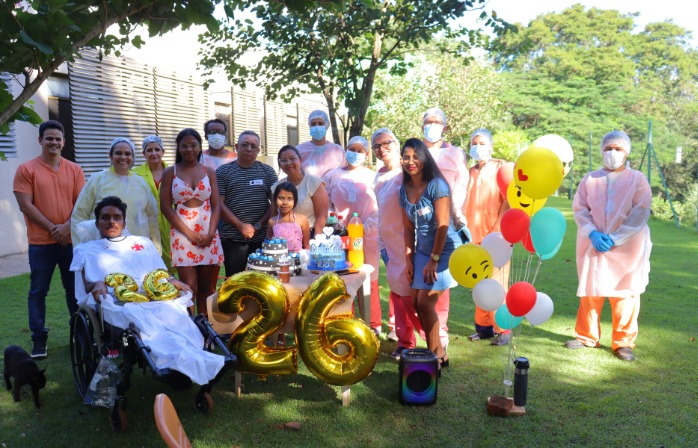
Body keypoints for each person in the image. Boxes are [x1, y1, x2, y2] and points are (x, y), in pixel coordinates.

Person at [70, 196, 225, 385]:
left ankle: (188, 359)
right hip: (119, 303)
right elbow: (87, 285)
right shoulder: (86, 250)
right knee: (149, 328)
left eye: (117, 217)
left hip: (156, 298)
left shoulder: (142, 243)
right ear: (97, 223)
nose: (112, 222)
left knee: (178, 320)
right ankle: (175, 360)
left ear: (124, 222)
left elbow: (159, 270)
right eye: (105, 217)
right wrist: (97, 284)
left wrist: (173, 280)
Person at [566, 131, 652, 362]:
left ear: (627, 152)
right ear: (601, 151)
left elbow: (640, 211)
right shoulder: (590, 179)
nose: (612, 153)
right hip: (594, 243)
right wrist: (591, 232)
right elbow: (580, 209)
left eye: (618, 149)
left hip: (628, 246)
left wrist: (616, 238)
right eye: (608, 148)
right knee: (590, 291)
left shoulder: (637, 179)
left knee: (624, 293)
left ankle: (623, 342)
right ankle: (586, 336)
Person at [13, 120, 85, 358]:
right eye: (49, 138)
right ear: (40, 140)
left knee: (74, 291)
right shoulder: (26, 169)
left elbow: (81, 205)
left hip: (70, 242)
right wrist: (54, 228)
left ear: (63, 142)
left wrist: (66, 227)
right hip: (41, 243)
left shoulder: (74, 170)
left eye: (58, 139)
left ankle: (79, 333)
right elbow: (25, 205)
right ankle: (39, 339)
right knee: (38, 291)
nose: (54, 142)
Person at [399, 138, 462, 370]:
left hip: (444, 250)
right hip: (423, 251)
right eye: (406, 157)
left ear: (424, 158)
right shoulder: (404, 189)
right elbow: (408, 229)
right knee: (416, 302)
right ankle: (437, 353)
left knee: (425, 301)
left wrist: (434, 260)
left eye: (416, 157)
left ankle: (436, 356)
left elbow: (443, 225)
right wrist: (409, 259)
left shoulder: (437, 185)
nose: (411, 161)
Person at [373, 128, 427, 358]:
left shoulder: (407, 172)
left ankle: (435, 342)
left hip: (408, 243)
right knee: (397, 295)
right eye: (376, 146)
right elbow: (382, 211)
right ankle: (405, 343)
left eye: (386, 143)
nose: (381, 148)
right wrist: (381, 243)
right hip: (388, 245)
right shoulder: (379, 176)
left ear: (396, 144)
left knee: (412, 297)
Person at [160, 128, 224, 317]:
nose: (189, 149)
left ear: (199, 147)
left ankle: (205, 326)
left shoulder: (208, 172)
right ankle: (190, 327)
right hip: (183, 235)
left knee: (206, 287)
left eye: (193, 145)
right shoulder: (170, 172)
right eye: (184, 146)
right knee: (189, 287)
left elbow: (216, 206)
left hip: (208, 233)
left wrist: (211, 234)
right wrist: (190, 234)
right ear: (178, 148)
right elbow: (165, 207)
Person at [420, 107, 469, 350]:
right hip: (420, 223)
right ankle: (423, 335)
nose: (432, 126)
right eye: (428, 122)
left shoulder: (455, 154)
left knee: (440, 279)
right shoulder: (416, 152)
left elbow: (461, 184)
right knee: (420, 279)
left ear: (445, 127)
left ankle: (441, 336)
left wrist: (451, 209)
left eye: (437, 122)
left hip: (446, 221)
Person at [323, 136, 381, 336]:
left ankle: (372, 323)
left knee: (369, 278)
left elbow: (380, 208)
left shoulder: (373, 177)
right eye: (352, 149)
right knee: (343, 278)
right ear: (345, 150)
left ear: (366, 154)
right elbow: (326, 203)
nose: (355, 153)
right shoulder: (332, 175)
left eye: (360, 150)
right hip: (339, 236)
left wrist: (365, 228)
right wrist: (335, 222)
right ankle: (346, 319)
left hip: (368, 236)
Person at [463, 129, 512, 346]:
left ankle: (504, 329)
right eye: (474, 143)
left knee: (497, 285)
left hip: (497, 238)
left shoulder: (501, 169)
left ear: (490, 146)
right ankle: (483, 328)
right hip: (473, 237)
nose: (477, 147)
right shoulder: (469, 172)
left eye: (482, 143)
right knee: (479, 284)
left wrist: (498, 231)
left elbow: (509, 200)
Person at [71, 137, 160, 250]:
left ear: (133, 157)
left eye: (127, 154)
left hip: (138, 249)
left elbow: (152, 218)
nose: (123, 157)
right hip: (103, 249)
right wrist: (81, 249)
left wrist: (155, 248)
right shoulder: (97, 180)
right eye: (118, 153)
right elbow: (79, 216)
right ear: (110, 156)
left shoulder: (141, 183)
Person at [217, 131, 278, 276]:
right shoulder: (223, 172)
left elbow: (275, 203)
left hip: (262, 236)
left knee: (262, 279)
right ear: (236, 147)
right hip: (232, 237)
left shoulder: (268, 172)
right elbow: (218, 204)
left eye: (253, 146)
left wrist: (258, 225)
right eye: (245, 145)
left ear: (258, 150)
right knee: (234, 279)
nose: (249, 149)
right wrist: (240, 226)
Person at [271, 145, 329, 236]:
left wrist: (316, 239)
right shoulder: (276, 187)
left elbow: (322, 216)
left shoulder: (314, 183)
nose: (288, 163)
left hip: (311, 234)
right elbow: (273, 217)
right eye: (284, 160)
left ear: (300, 160)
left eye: (292, 158)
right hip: (283, 237)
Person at [133, 135, 172, 271]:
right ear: (143, 153)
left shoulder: (174, 173)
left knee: (173, 261)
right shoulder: (134, 174)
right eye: (149, 150)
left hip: (170, 222)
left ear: (163, 152)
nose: (153, 153)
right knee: (149, 262)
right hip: (145, 224)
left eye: (157, 149)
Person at [296, 109, 346, 179]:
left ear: (326, 126)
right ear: (309, 126)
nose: (317, 127)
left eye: (320, 123)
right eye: (313, 124)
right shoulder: (299, 150)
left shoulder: (338, 150)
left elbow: (344, 175)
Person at [268, 182, 310, 252]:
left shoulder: (302, 220)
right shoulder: (272, 221)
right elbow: (268, 245)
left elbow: (307, 245)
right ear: (275, 200)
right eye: (281, 198)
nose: (285, 203)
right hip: (278, 258)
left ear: (295, 200)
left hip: (298, 258)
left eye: (289, 199)